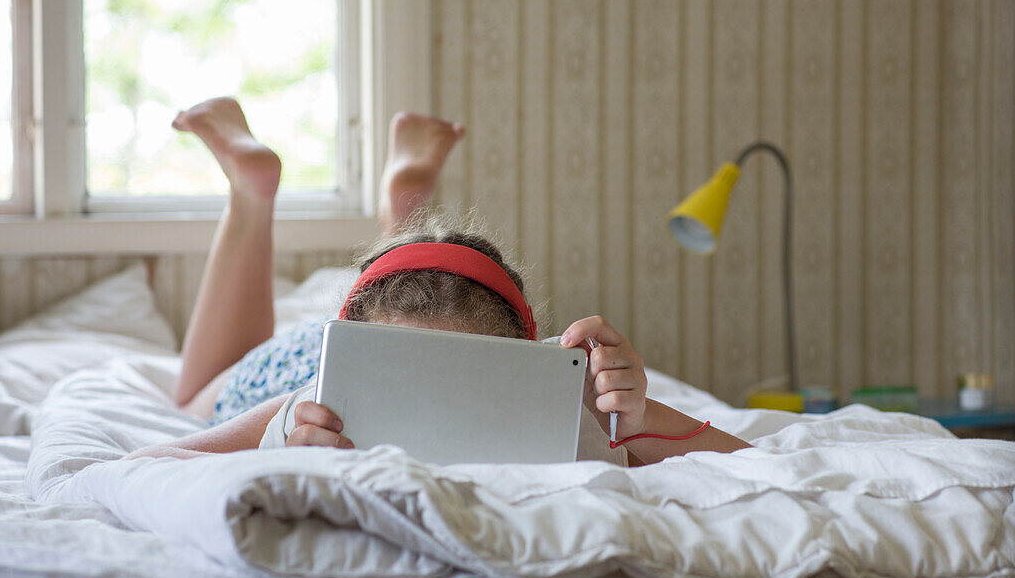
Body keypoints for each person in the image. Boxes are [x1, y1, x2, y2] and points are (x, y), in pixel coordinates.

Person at [127, 97, 750, 465]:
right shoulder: (308, 398)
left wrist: (630, 413)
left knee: (414, 297)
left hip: (393, 305)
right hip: (300, 359)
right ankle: (250, 197)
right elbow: (154, 459)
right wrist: (271, 458)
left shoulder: (563, 399)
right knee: (190, 397)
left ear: (533, 363)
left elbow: (744, 458)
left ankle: (404, 209)